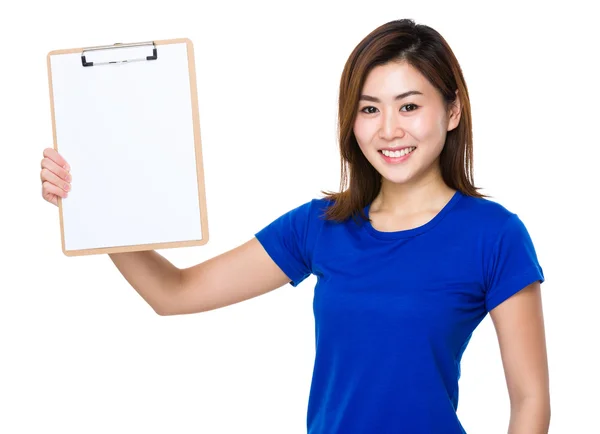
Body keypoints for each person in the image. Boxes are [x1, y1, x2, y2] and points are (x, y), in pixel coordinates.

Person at [40, 19, 550, 434]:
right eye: (369, 109)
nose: (389, 129)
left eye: (410, 106)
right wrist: (93, 203)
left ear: (453, 109)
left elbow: (530, 403)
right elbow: (173, 293)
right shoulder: (321, 226)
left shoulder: (494, 235)